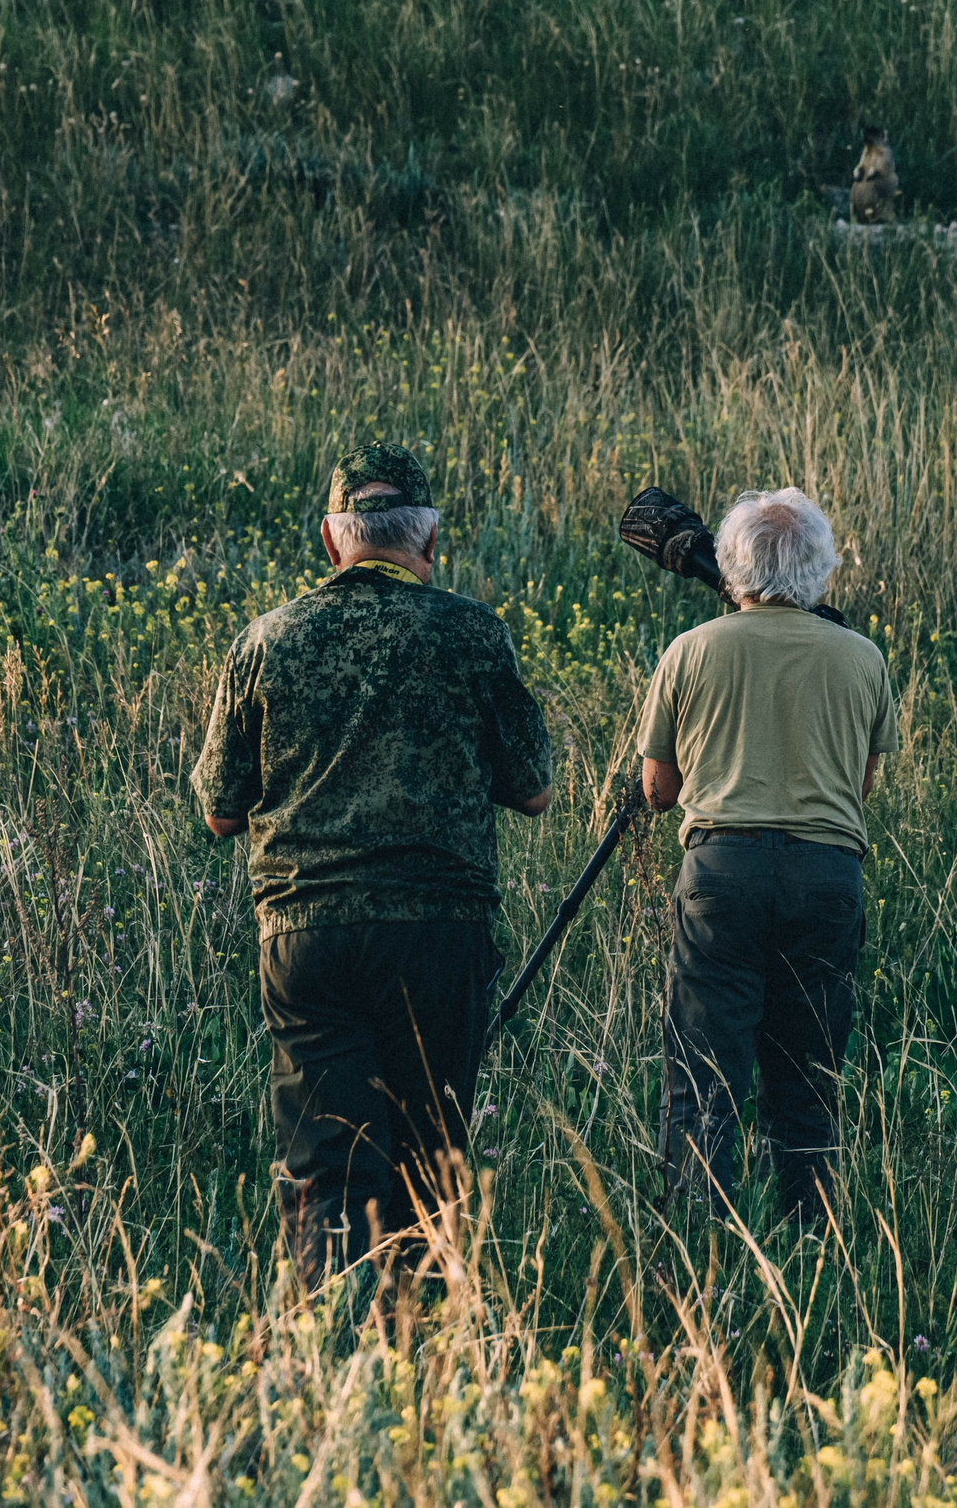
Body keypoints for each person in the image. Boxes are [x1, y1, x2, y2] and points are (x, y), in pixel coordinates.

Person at [195, 443, 556, 1283]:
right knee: (430, 1165)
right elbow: (534, 789)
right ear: (428, 541)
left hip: (306, 933)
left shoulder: (266, 640)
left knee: (327, 1166)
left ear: (332, 542)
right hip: (439, 931)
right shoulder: (473, 634)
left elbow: (218, 808)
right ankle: (418, 1362)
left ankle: (336, 1358)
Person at [635, 487, 898, 1226]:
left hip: (721, 875)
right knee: (808, 1085)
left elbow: (658, 789)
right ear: (820, 570)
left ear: (730, 566)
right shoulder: (862, 658)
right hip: (826, 876)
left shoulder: (692, 651)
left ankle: (694, 1259)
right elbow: (862, 783)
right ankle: (811, 1252)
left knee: (703, 1084)